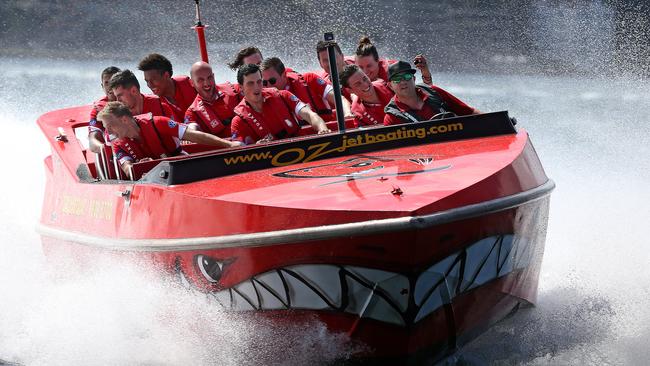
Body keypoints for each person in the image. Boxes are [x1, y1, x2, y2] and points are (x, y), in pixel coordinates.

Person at [97, 101, 239, 178]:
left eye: (110, 126)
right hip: (149, 182)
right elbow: (127, 168)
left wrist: (229, 145)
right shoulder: (117, 143)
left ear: (124, 120)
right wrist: (140, 167)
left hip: (180, 167)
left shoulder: (158, 123)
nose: (108, 132)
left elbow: (193, 136)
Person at [231, 64, 331, 145]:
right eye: (250, 83)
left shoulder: (283, 95)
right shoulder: (238, 121)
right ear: (241, 87)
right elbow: (237, 151)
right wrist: (255, 147)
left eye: (259, 82)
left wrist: (323, 129)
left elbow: (309, 114)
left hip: (302, 148)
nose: (256, 87)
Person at [383, 61, 480, 126]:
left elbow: (470, 113)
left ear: (414, 79)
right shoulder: (391, 117)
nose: (403, 82)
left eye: (407, 76)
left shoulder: (435, 92)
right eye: (397, 79)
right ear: (390, 86)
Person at [260, 57, 352, 122]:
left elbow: (339, 99)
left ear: (284, 75)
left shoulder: (310, 79)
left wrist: (347, 113)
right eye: (264, 83)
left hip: (327, 132)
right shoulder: (262, 99)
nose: (268, 86)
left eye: (272, 81)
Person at [184, 61, 242, 138]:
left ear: (213, 76)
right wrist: (192, 130)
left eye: (209, 77)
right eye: (200, 80)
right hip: (227, 148)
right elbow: (190, 131)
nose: (206, 83)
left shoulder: (234, 89)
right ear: (192, 83)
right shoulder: (193, 112)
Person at [137, 53, 197, 122]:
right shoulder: (155, 104)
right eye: (147, 81)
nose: (149, 85)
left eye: (153, 80)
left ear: (166, 75)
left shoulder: (190, 84)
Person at [109, 69, 174, 118]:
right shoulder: (118, 116)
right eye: (116, 96)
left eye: (120, 95)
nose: (118, 100)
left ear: (133, 90)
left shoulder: (161, 105)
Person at [88, 66, 121, 153]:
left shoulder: (133, 100)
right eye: (107, 83)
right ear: (102, 86)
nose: (110, 87)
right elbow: (92, 139)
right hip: (114, 155)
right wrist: (104, 149)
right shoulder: (98, 110)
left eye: (113, 82)